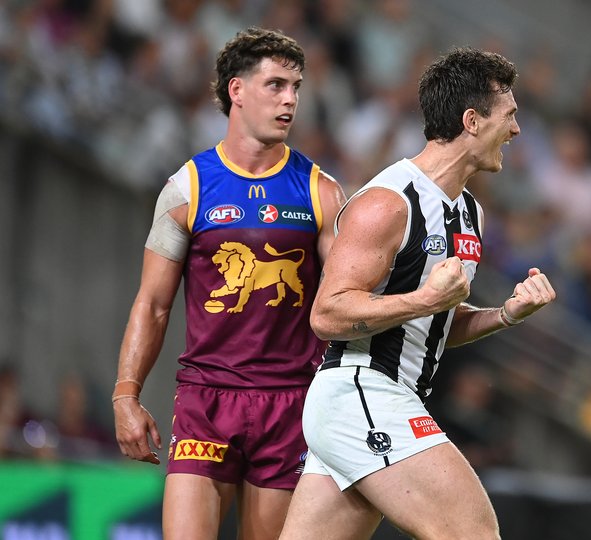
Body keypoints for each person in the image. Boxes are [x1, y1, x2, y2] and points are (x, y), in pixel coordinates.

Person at [280, 47, 556, 540]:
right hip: (361, 391)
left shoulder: (470, 213)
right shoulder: (387, 203)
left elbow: (432, 326)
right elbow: (327, 314)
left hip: (381, 397)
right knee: (471, 533)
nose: (516, 131)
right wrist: (426, 300)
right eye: (510, 116)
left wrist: (506, 314)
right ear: (471, 121)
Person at [111, 27, 346, 540]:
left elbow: (347, 299)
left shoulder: (321, 192)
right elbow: (152, 304)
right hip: (206, 400)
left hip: (290, 403)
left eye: (296, 87)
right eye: (276, 85)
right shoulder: (186, 189)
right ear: (236, 90)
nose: (291, 100)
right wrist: (125, 396)